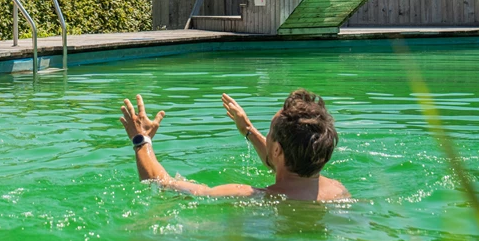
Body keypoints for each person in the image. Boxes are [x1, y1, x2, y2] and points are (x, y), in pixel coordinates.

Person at [117, 90, 349, 201]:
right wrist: (247, 129)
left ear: (277, 149)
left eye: (269, 131)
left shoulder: (253, 197)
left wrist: (141, 140)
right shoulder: (338, 190)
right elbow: (285, 165)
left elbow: (163, 185)